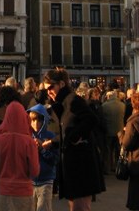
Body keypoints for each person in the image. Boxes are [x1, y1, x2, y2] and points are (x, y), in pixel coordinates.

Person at [43, 68, 104, 211]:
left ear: (62, 84)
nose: (49, 91)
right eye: (47, 89)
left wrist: (75, 137)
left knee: (80, 207)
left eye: (51, 87)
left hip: (81, 165)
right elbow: (67, 131)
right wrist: (53, 142)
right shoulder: (64, 102)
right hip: (73, 164)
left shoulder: (73, 100)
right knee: (75, 205)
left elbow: (91, 119)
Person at [28, 104, 58, 211]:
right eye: (32, 120)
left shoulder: (51, 137)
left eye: (38, 120)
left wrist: (42, 149)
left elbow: (54, 159)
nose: (35, 123)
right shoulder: (27, 136)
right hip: (30, 181)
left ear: (44, 121)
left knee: (43, 208)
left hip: (46, 180)